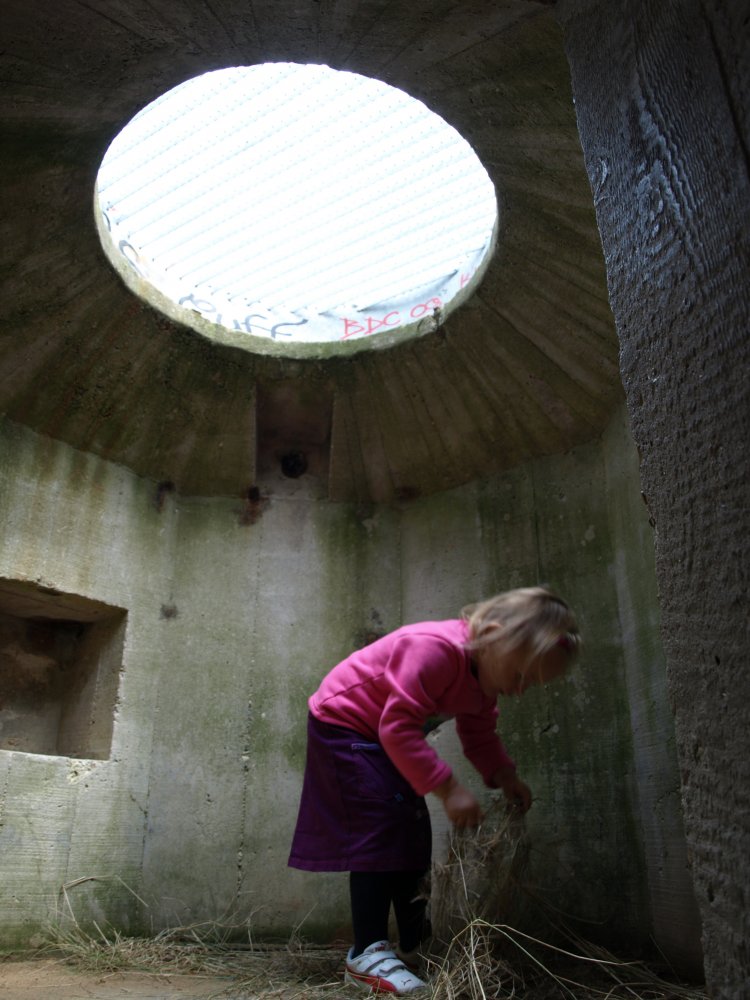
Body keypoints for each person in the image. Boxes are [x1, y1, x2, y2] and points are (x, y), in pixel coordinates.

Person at [288, 586, 581, 994]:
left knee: (412, 828)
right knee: (380, 825)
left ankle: (413, 944)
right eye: (520, 675)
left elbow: (480, 735)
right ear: (492, 636)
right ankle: (366, 954)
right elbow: (397, 727)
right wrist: (448, 788)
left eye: (529, 684)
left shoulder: (484, 684)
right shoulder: (434, 650)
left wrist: (504, 776)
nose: (518, 690)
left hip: (384, 736)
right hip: (345, 724)